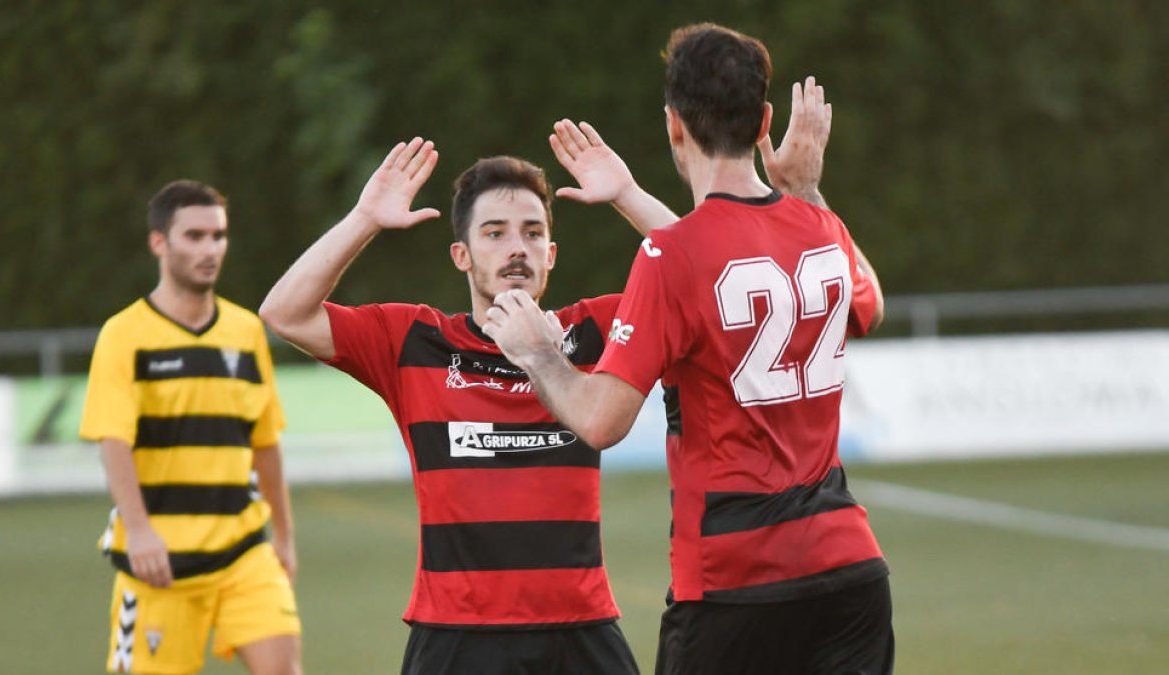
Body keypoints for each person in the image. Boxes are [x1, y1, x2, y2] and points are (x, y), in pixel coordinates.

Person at [258, 102, 829, 673]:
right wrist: (365, 218)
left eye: (533, 234)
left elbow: (713, 272)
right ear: (462, 255)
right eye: (495, 233)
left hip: (579, 634)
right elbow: (284, 313)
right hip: (455, 636)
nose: (516, 248)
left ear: (551, 256)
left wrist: (627, 193)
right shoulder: (412, 340)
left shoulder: (595, 331)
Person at [483, 23, 892, 675]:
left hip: (735, 580)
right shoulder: (819, 226)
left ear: (674, 125)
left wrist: (537, 351)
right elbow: (867, 302)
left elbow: (599, 419)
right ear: (764, 121)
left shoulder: (668, 257)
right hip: (850, 571)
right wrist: (808, 188)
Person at [80, 180, 303, 675]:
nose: (210, 249)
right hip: (158, 565)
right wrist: (138, 532)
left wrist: (283, 537)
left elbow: (265, 442)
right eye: (195, 236)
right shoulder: (124, 335)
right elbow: (112, 440)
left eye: (218, 236)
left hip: (245, 554)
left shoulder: (246, 332)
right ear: (159, 242)